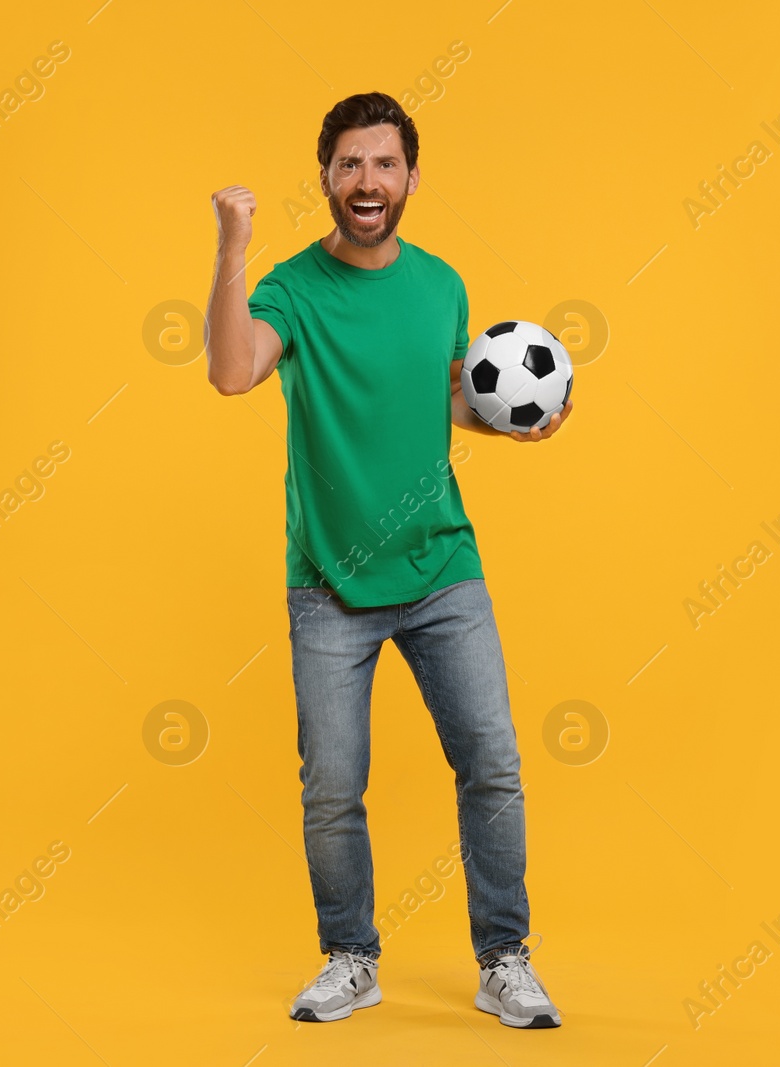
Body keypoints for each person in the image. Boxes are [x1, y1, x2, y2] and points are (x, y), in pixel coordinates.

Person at [205, 91, 572, 1029]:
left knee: (491, 761)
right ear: (325, 177)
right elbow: (232, 369)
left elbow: (443, 395)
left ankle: (505, 959)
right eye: (349, 164)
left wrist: (506, 418)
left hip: (443, 569)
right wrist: (232, 244)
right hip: (329, 581)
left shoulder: (443, 285)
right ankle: (352, 956)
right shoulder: (290, 286)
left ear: (410, 178)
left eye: (384, 164)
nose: (367, 181)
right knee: (333, 786)